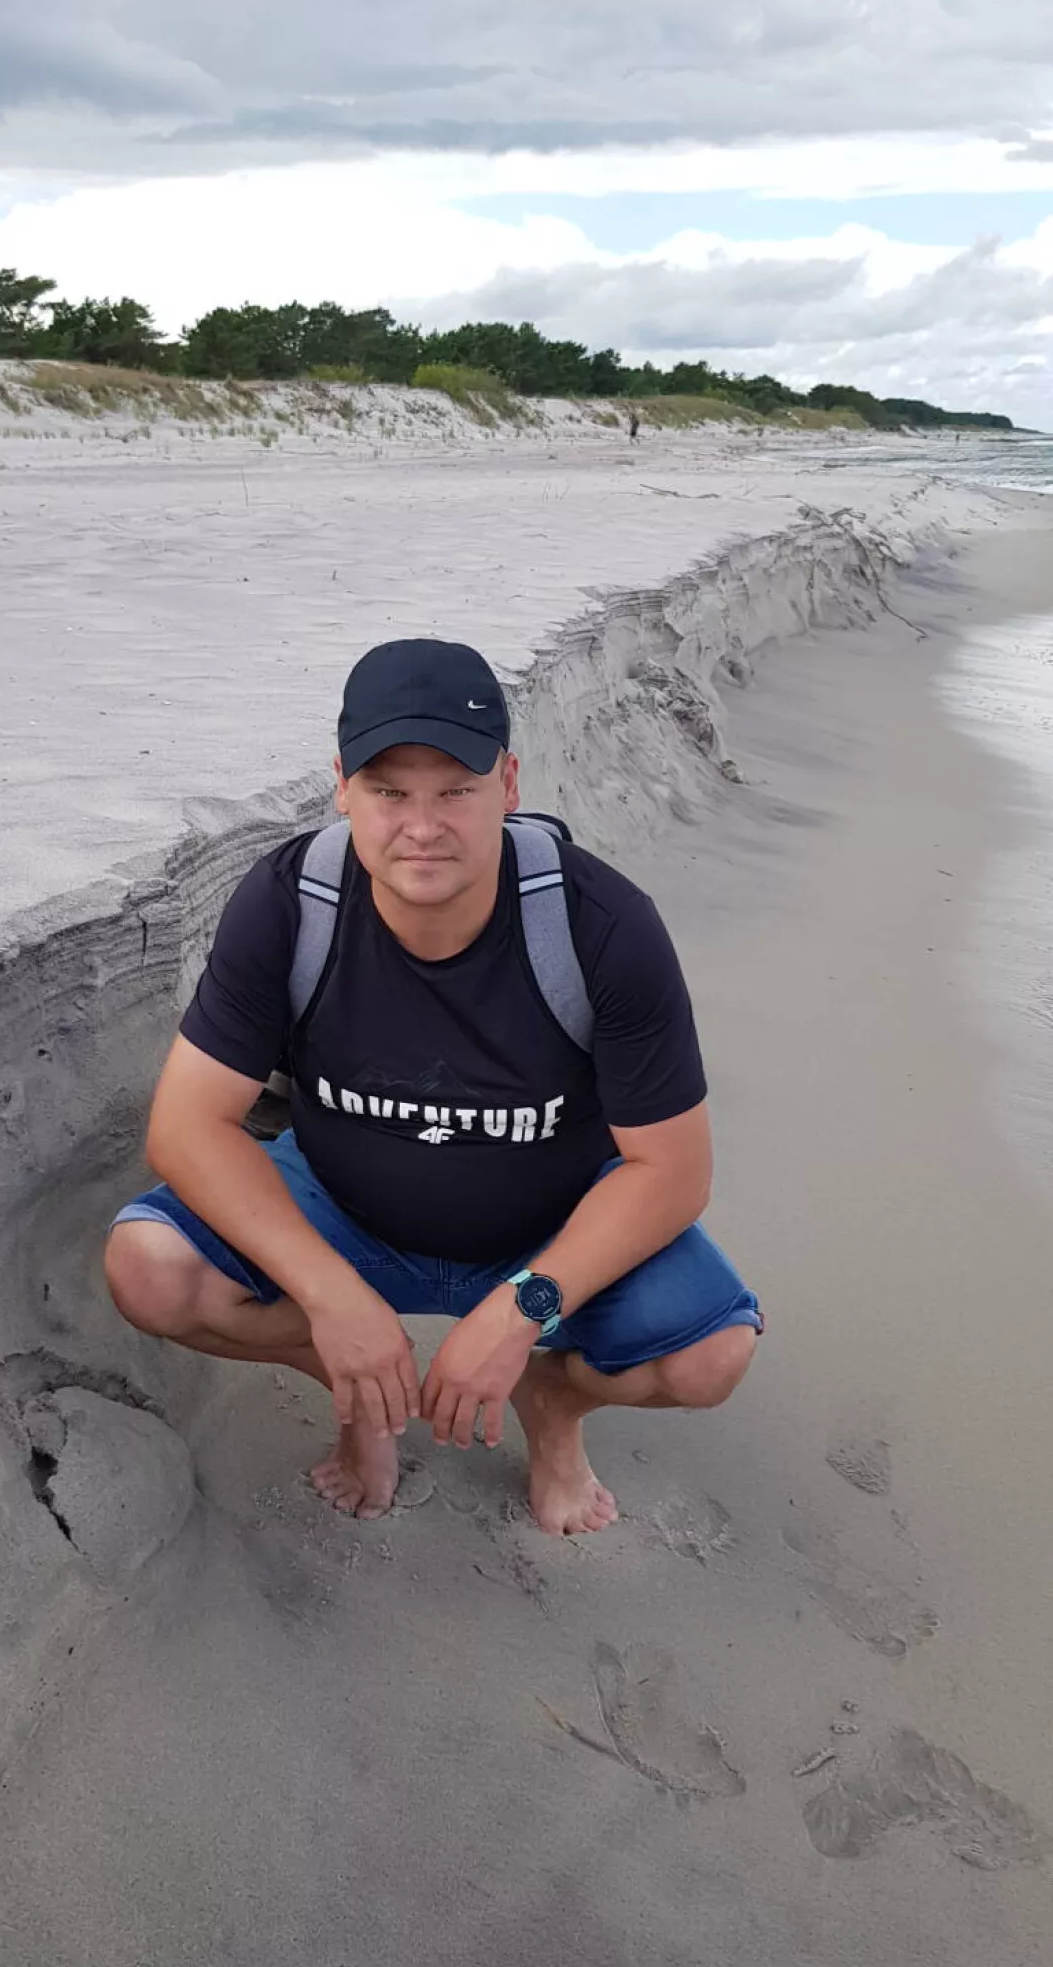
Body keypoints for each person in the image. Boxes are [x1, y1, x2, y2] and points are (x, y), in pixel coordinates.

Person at [106, 639, 762, 1536]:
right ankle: (361, 1393)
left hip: (544, 1234)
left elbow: (673, 1173)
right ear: (342, 788)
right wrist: (331, 1297)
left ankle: (554, 1402)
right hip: (345, 1211)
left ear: (510, 784)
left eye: (456, 790)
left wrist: (523, 1310)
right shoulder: (292, 904)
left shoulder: (602, 927)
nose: (422, 827)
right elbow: (186, 1127)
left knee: (710, 1356)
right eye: (389, 792)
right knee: (150, 1271)